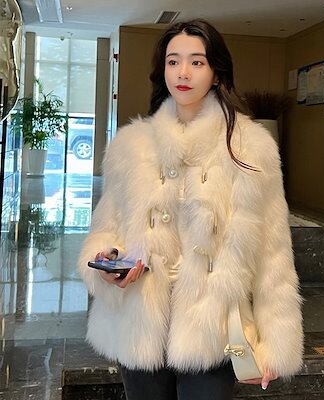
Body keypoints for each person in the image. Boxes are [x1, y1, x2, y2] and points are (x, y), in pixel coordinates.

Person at [78, 19, 303, 400]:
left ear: (216, 72)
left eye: (197, 62)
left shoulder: (250, 147)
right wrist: (107, 262)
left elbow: (273, 252)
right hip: (138, 325)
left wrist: (276, 342)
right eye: (173, 61)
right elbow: (106, 229)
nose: (183, 72)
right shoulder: (130, 145)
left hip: (213, 328)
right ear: (162, 70)